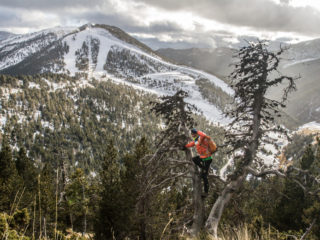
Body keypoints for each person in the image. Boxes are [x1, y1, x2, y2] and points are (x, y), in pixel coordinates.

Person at [184, 128, 213, 197]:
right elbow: (192, 144)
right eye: (191, 134)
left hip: (207, 158)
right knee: (194, 159)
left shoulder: (201, 138)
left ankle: (206, 192)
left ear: (195, 134)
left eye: (193, 134)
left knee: (204, 176)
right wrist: (185, 146)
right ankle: (203, 168)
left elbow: (203, 135)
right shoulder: (196, 140)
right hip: (203, 158)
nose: (192, 135)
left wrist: (197, 131)